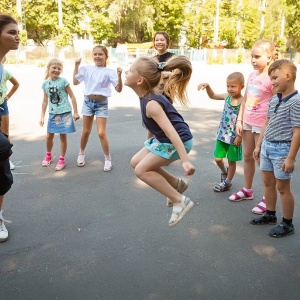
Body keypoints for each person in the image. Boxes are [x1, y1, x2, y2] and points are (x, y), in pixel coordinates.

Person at [125, 55, 195, 227]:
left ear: (140, 80)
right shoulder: (146, 97)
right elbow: (154, 126)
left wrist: (185, 161)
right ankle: (176, 184)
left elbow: (172, 132)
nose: (126, 72)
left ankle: (179, 200)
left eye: (131, 70)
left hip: (178, 141)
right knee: (136, 161)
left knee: (141, 170)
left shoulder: (151, 104)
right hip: (163, 140)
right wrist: (149, 145)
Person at [250, 59, 300, 237]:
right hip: (267, 147)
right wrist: (258, 145)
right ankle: (270, 214)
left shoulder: (296, 102)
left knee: (283, 187)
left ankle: (287, 223)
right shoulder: (274, 100)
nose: (272, 82)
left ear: (288, 76)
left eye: (275, 78)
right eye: (271, 79)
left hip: (282, 149)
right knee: (267, 183)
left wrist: (291, 158)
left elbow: (297, 132)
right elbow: (267, 122)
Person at [228, 40, 277, 214]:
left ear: (269, 57)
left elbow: (277, 102)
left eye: (257, 57)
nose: (253, 60)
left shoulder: (272, 77)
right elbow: (246, 99)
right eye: (252, 57)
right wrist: (240, 121)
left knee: (262, 161)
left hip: (262, 125)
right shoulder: (252, 75)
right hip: (248, 122)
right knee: (247, 157)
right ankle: (247, 190)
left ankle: (267, 198)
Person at [73, 45, 123, 171]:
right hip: (88, 102)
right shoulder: (87, 69)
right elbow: (75, 82)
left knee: (101, 133)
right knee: (86, 131)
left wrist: (119, 75)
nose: (97, 56)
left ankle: (107, 159)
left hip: (101, 104)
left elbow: (118, 89)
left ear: (106, 56)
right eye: (95, 54)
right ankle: (81, 153)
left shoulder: (109, 72)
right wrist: (76, 66)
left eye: (100, 54)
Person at [197, 72, 244, 192]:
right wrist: (207, 86)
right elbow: (212, 95)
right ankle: (224, 172)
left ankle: (228, 182)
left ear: (242, 86)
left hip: (234, 138)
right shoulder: (226, 96)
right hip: (222, 135)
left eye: (233, 86)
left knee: (231, 161)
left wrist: (240, 136)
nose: (229, 89)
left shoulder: (243, 101)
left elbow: (244, 120)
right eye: (228, 86)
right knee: (218, 158)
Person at [40, 58, 80, 171]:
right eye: (54, 67)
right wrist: (42, 116)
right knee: (49, 136)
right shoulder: (45, 84)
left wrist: (76, 112)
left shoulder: (63, 82)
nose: (56, 70)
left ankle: (62, 158)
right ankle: (48, 155)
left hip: (65, 113)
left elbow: (72, 96)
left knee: (63, 136)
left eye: (59, 68)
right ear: (48, 68)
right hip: (53, 113)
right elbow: (44, 101)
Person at [0, 14, 19, 242]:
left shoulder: (3, 64)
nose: (17, 37)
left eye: (18, 33)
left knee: (3, 172)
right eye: (11, 32)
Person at [0, 56, 20, 170]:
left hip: (2, 105)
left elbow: (16, 84)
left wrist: (8, 96)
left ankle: (7, 160)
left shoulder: (5, 72)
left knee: (5, 133)